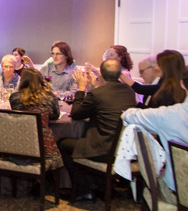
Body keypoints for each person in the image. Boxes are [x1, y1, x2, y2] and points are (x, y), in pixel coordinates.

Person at [57, 60, 138, 201]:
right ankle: (101, 186)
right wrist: (95, 86)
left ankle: (82, 190)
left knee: (63, 144)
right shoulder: (129, 91)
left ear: (101, 74)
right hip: (124, 149)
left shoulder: (97, 94)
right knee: (86, 136)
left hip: (104, 150)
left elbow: (76, 113)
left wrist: (81, 88)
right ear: (119, 74)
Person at [122, 62, 188, 205]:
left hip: (179, 195)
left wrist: (127, 113)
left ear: (182, 84)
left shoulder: (169, 114)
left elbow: (130, 116)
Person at [8, 68, 64, 172]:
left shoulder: (15, 98)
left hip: (18, 147)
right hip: (44, 150)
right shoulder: (50, 97)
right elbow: (55, 116)